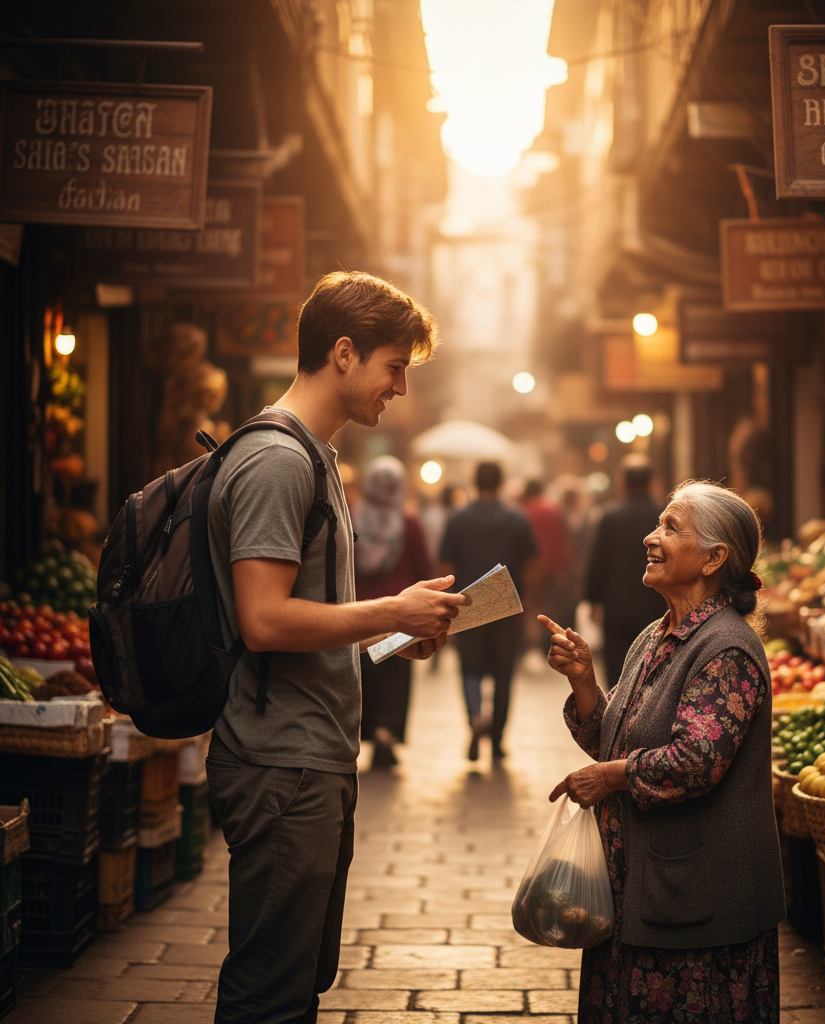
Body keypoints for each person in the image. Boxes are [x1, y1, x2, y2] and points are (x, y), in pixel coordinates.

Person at [205, 271, 470, 1024]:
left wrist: (393, 634)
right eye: (395, 367)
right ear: (344, 353)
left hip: (309, 756)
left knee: (299, 975)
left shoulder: (315, 455)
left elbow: (309, 617)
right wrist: (391, 607)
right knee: (270, 988)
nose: (401, 389)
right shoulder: (279, 460)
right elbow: (263, 621)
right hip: (280, 761)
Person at [540, 480, 785, 1024]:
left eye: (671, 528)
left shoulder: (726, 648)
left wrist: (608, 777)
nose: (651, 537)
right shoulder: (656, 635)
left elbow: (696, 761)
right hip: (640, 890)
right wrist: (583, 681)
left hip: (697, 899)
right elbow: (615, 738)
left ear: (713, 559)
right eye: (658, 524)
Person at [439, 461, 538, 761]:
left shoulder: (457, 519)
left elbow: (446, 566)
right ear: (501, 483)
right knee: (504, 674)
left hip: (466, 604)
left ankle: (475, 718)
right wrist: (527, 600)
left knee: (470, 669)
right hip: (507, 605)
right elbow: (532, 565)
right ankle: (496, 741)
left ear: (474, 482)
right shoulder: (517, 519)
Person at [353, 455, 436, 768]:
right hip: (402, 615)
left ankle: (366, 729)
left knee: (364, 674)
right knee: (395, 674)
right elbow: (424, 568)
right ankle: (387, 731)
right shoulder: (408, 523)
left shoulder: (351, 519)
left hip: (358, 614)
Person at [584, 455, 667, 688]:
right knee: (652, 663)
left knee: (616, 666)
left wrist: (593, 599)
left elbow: (598, 561)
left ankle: (615, 706)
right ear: (651, 482)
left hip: (616, 604)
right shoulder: (662, 516)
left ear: (622, 482)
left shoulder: (609, 516)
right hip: (655, 601)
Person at [520, 479, 574, 648]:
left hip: (533, 568)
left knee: (532, 607)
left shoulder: (525, 510)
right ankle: (551, 643)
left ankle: (531, 644)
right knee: (552, 607)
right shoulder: (553, 508)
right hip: (554, 566)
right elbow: (563, 538)